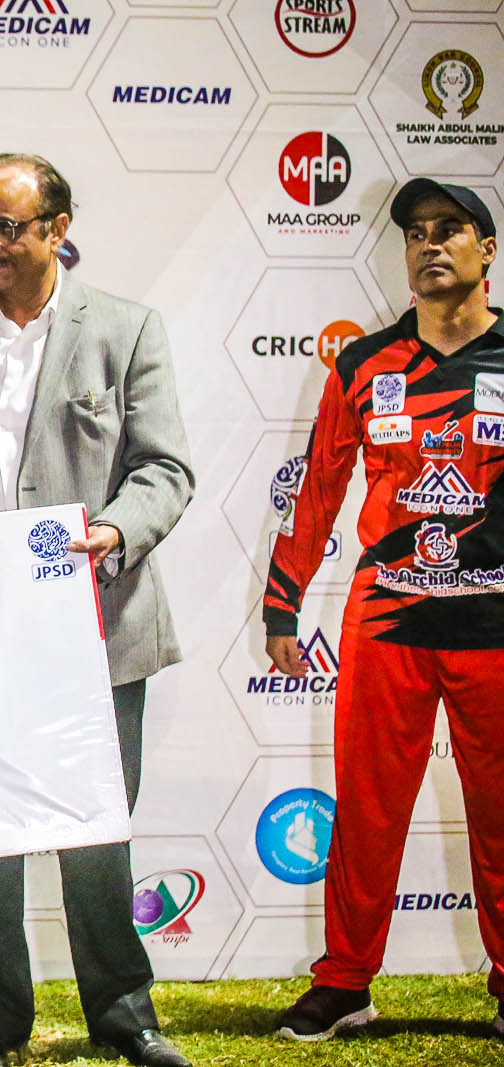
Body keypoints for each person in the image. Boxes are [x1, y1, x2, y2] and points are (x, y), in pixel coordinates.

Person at [0, 153, 195, 1067]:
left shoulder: (127, 329)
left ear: (58, 228)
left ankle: (124, 1015)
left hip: (97, 627)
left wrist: (115, 531)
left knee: (95, 836)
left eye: (9, 227)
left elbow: (166, 469)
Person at [263, 178, 504, 1043]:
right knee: (366, 811)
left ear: (487, 250)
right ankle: (345, 981)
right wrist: (282, 606)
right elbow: (318, 489)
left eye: (450, 229)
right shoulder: (365, 364)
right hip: (388, 620)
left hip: (495, 622)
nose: (429, 244)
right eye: (415, 233)